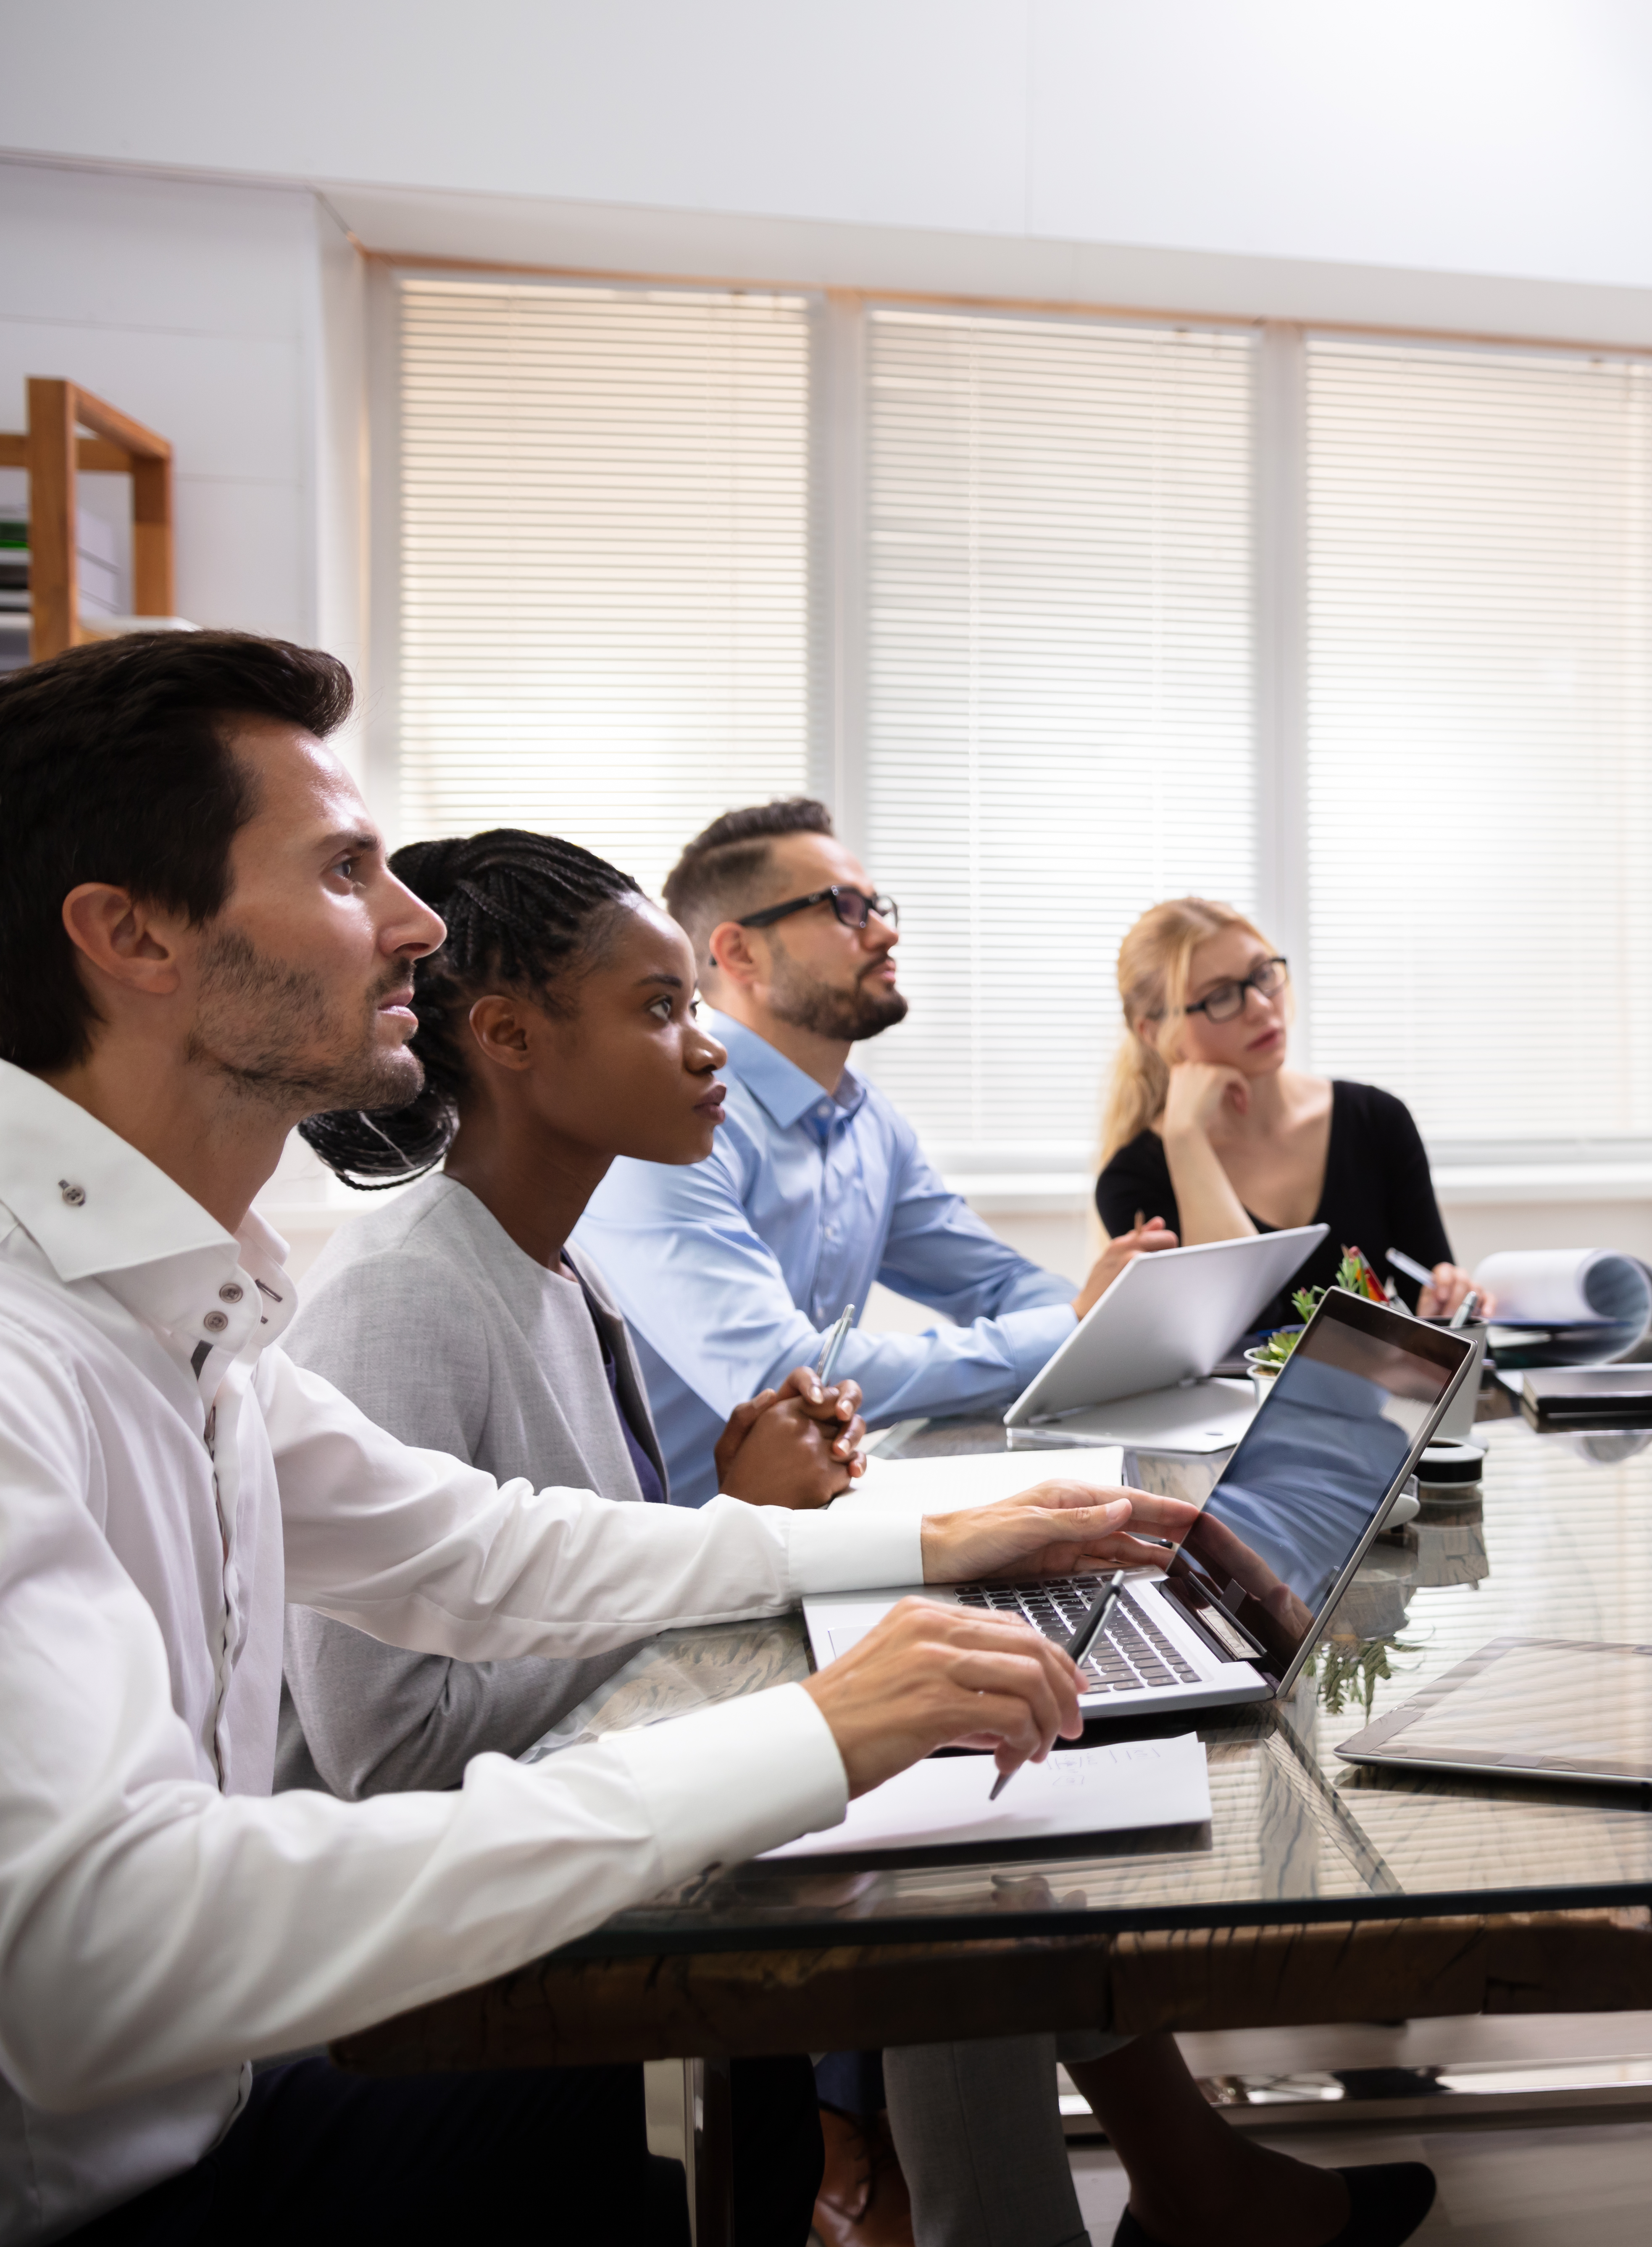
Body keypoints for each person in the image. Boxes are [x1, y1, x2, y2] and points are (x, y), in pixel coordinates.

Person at [0, 629, 1195, 2247]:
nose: (413, 920)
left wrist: (928, 1542)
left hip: (215, 2105)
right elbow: (90, 1959)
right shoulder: (34, 1347)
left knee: (769, 2026)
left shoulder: (178, 1309)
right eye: (348, 867)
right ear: (130, 933)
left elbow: (482, 1546)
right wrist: (810, 1734)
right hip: (108, 2192)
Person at [281, 831, 1432, 2247]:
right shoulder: (403, 1295)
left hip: (570, 1783)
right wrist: (785, 1615)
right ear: (508, 1039)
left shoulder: (551, 1266)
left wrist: (923, 1552)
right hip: (449, 1889)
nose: (709, 1047)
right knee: (955, 1811)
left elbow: (613, 1576)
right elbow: (387, 1751)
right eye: (662, 1010)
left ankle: (1147, 2195)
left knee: (981, 1769)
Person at [575, 800, 1175, 1502]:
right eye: (844, 907)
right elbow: (780, 1372)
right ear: (739, 953)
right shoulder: (663, 1127)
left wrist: (1097, 1326)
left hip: (817, 1521)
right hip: (685, 1559)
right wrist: (1070, 1325)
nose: (886, 931)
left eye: (878, 906)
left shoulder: (868, 1121)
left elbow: (993, 1281)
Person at [1090, 900, 1481, 1332]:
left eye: (1263, 974)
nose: (1260, 1005)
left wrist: (1443, 1302)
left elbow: (1428, 1308)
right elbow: (1235, 1333)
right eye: (1220, 996)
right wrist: (1186, 1139)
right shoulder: (1134, 1179)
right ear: (1154, 1032)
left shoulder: (1377, 1120)